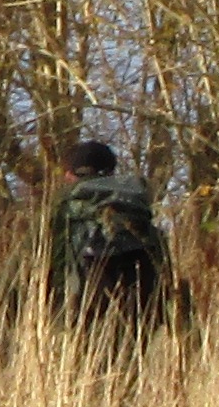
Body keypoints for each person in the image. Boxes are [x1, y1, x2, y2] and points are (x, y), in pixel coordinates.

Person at [32, 139, 180, 345]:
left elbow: (14, 281)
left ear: (69, 175)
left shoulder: (61, 213)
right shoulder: (137, 214)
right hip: (137, 328)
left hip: (76, 327)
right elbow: (168, 285)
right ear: (112, 172)